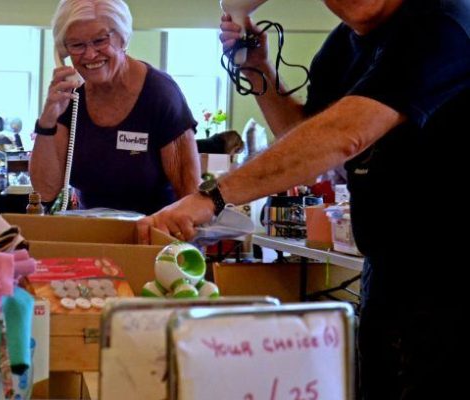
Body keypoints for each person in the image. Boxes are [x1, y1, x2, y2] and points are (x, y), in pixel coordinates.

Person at [138, 0, 468, 398]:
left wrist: (214, 196)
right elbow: (306, 140)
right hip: (389, 269)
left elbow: (347, 132)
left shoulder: (445, 22)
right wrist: (257, 67)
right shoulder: (341, 48)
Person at [30, 0, 201, 215]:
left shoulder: (160, 94)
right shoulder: (70, 96)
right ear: (63, 50)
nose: (90, 55)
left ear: (123, 37)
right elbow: (45, 192)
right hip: (91, 235)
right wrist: (47, 120)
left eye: (100, 41)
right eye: (77, 45)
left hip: (152, 235)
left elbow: (190, 195)